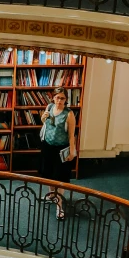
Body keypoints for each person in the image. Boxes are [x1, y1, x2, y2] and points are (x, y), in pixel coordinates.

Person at [39, 86, 77, 220]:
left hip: (61, 149)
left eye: (62, 98)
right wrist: (43, 118)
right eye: (57, 97)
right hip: (48, 146)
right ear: (53, 97)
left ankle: (59, 205)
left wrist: (72, 151)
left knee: (60, 177)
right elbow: (45, 123)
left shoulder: (69, 114)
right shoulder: (49, 107)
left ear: (66, 100)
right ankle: (51, 195)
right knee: (49, 174)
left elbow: (72, 135)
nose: (59, 100)